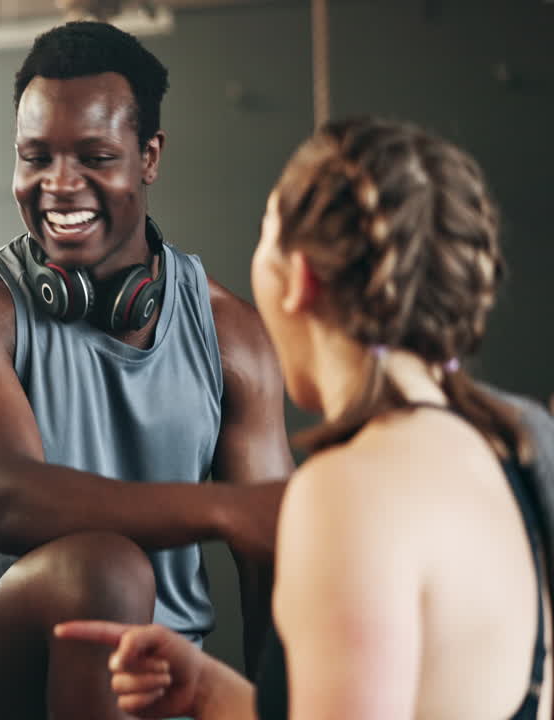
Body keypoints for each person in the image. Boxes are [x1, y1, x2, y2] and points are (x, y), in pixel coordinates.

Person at [56, 117, 552, 719]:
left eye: (265, 234)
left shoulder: (348, 493)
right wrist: (210, 691)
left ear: (298, 279)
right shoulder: (509, 451)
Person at [0, 22, 295, 720]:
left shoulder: (231, 333)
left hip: (162, 677)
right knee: (107, 570)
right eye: (36, 158)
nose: (59, 185)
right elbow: (10, 502)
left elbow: (268, 554)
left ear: (148, 157)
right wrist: (225, 510)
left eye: (94, 157)